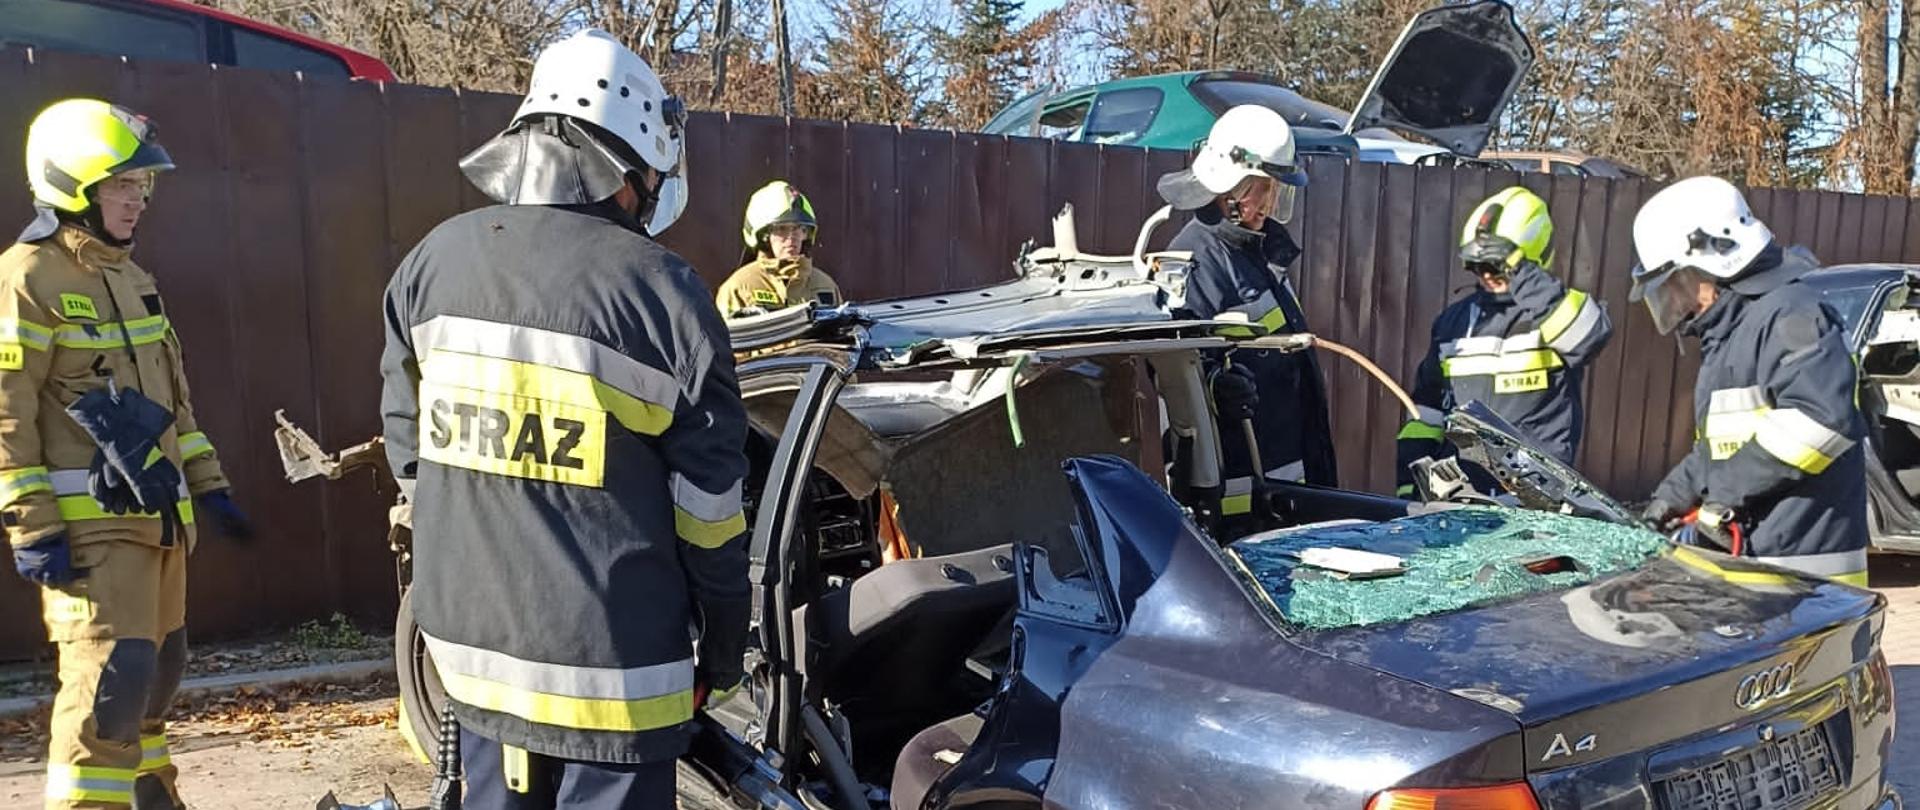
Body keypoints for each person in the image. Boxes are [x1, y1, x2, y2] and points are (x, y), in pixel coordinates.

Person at [378, 30, 750, 807]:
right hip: (614, 688)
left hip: (474, 668)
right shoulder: (666, 297)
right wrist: (722, 651)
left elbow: (411, 457)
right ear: (631, 167)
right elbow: (710, 518)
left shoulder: (430, 264)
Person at [3, 98, 249, 810]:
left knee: (156, 677)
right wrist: (32, 522)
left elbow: (175, 402)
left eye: (141, 186)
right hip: (90, 537)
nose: (137, 200)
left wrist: (209, 484)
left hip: (160, 526)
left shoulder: (132, 279)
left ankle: (152, 799)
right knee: (110, 683)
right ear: (69, 184)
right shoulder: (27, 280)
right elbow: (4, 410)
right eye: (120, 185)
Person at [1632, 176, 1868, 585]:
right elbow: (1719, 453)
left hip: (1805, 573)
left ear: (1714, 261)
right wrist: (1669, 499)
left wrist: (1722, 498)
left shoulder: (1791, 313)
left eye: (1677, 283)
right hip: (1761, 565)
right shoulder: (1732, 333)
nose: (1675, 300)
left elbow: (1822, 421)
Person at [1156, 104, 1338, 530]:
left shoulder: (1257, 256)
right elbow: (1176, 378)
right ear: (1232, 187)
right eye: (1267, 188)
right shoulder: (1194, 262)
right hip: (1244, 510)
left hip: (1290, 492)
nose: (1273, 202)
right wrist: (1216, 388)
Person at [1394, 186, 1612, 497]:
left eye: (1495, 264)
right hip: (1462, 499)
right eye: (1477, 265)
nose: (1486, 274)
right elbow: (1425, 414)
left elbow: (1590, 337)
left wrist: (1520, 272)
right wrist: (1409, 485)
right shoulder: (1453, 323)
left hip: (1537, 501)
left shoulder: (1557, 314)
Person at [716, 180, 842, 318]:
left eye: (798, 228)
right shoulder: (739, 288)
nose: (791, 237)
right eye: (782, 229)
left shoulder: (826, 286)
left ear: (807, 233)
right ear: (764, 235)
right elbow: (724, 337)